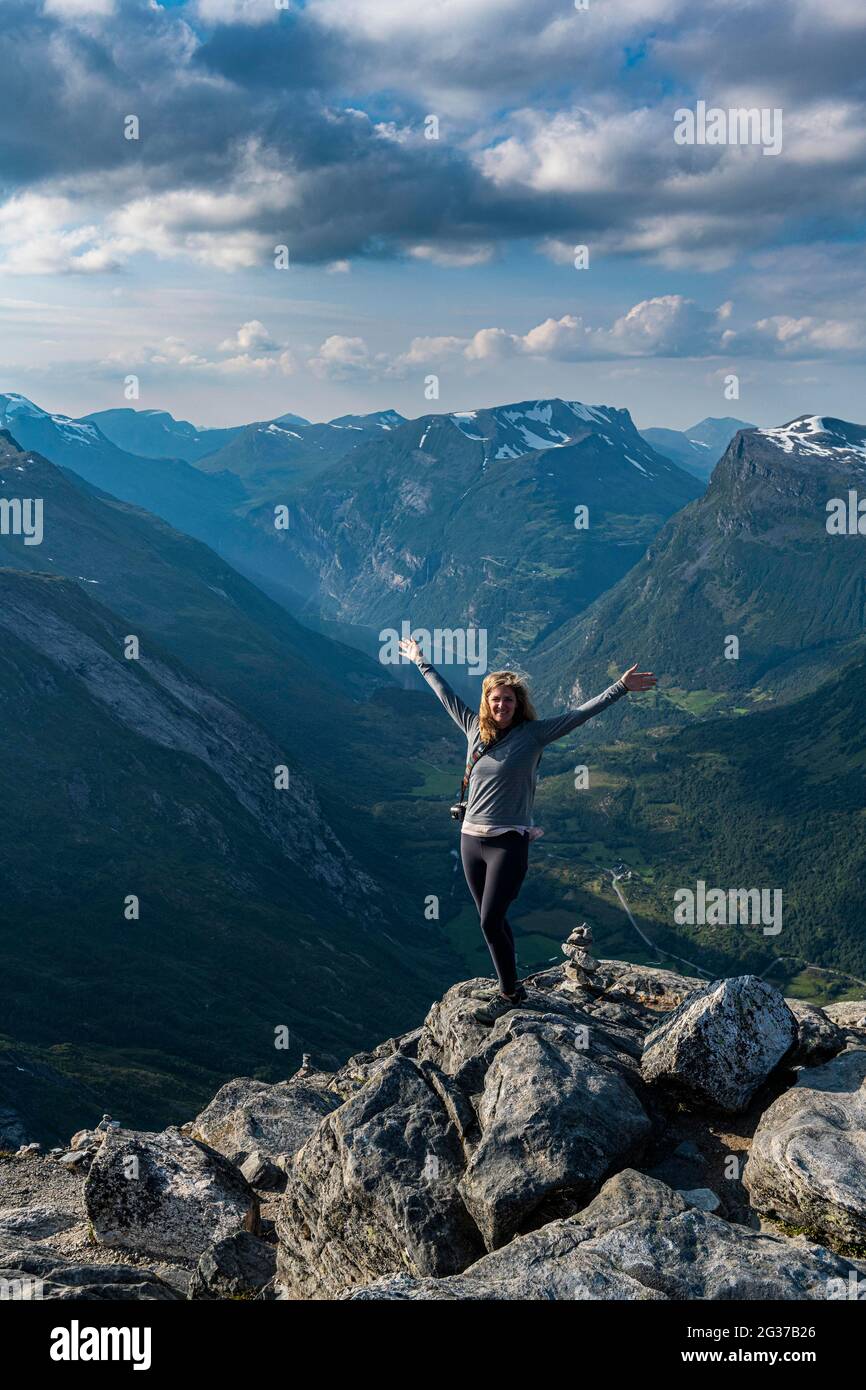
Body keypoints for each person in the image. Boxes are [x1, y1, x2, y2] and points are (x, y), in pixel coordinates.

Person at [398, 637, 656, 1024]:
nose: (501, 705)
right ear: (486, 701)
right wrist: (420, 661)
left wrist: (620, 687)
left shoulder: (534, 735)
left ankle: (507, 994)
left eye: (509, 700)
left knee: (489, 919)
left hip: (508, 843)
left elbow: (581, 713)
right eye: (495, 699)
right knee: (493, 920)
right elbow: (443, 692)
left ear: (518, 705)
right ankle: (512, 985)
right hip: (470, 838)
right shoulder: (472, 728)